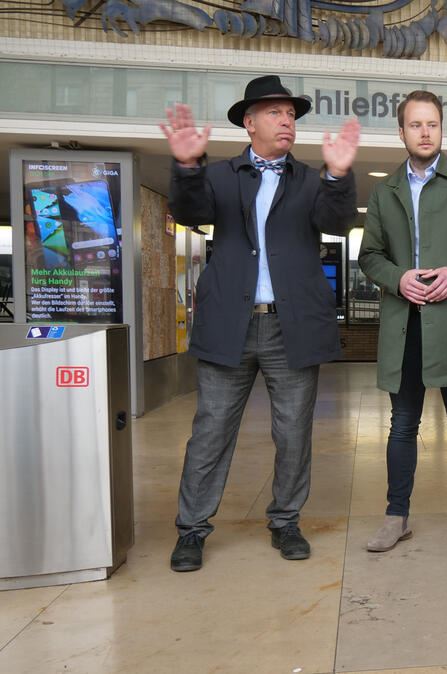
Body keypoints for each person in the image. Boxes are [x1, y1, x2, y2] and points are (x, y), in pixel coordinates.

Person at [162, 75, 360, 572]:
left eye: (291, 114)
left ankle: (286, 521)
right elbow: (188, 211)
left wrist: (339, 175)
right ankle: (191, 530)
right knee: (210, 432)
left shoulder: (311, 180)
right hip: (229, 324)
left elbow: (337, 224)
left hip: (290, 328)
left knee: (293, 433)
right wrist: (186, 167)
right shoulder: (220, 176)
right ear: (249, 123)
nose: (287, 120)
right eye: (275, 112)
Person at [357, 90, 447, 560]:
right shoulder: (385, 191)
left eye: (433, 124)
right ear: (400, 132)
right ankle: (395, 516)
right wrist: (398, 278)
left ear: (442, 129)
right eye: (416, 125)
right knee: (402, 425)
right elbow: (369, 256)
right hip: (405, 325)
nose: (425, 132)